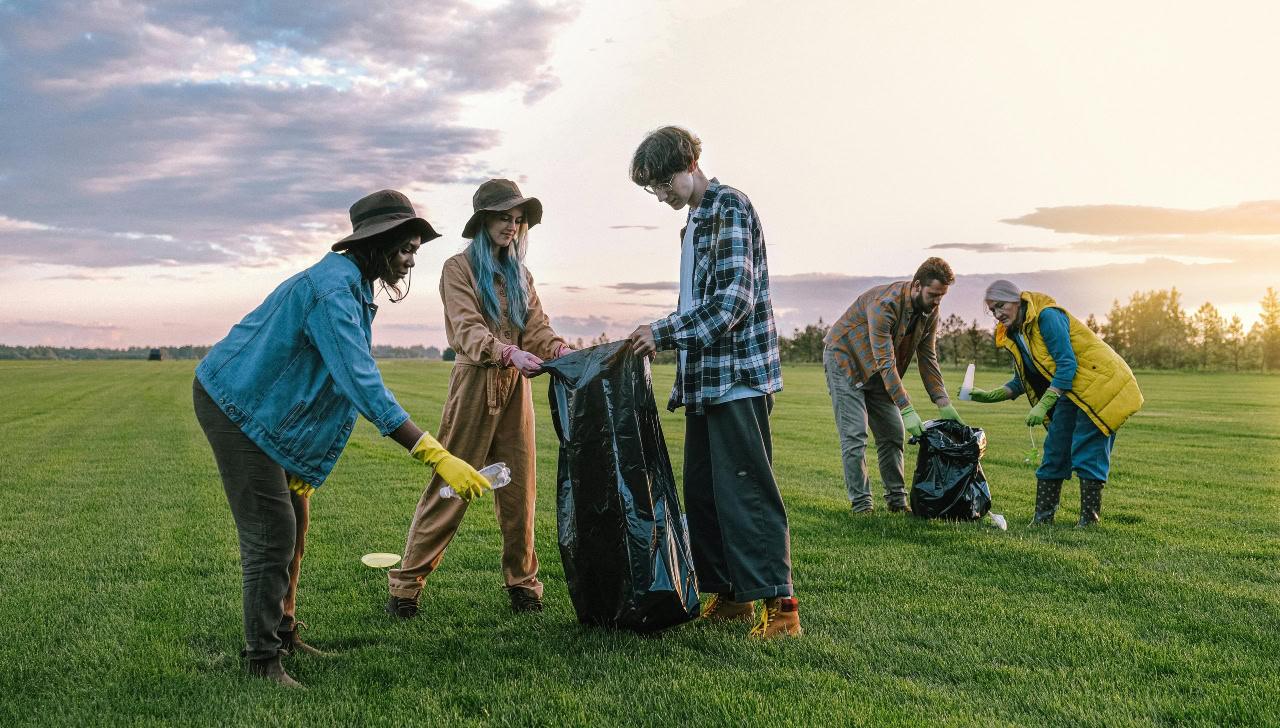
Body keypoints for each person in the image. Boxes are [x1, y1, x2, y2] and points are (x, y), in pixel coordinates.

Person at [193, 190, 492, 688]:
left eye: (415, 248)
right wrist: (437, 455)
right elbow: (360, 383)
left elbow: (320, 384)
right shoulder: (334, 291)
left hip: (266, 411)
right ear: (375, 242)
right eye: (404, 247)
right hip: (235, 405)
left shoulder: (352, 286)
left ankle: (284, 630)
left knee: (296, 520)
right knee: (272, 535)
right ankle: (261, 661)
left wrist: (303, 462)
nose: (411, 258)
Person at [626, 126, 800, 639]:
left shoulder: (729, 206)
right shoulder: (694, 224)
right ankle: (730, 597)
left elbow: (733, 302)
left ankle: (782, 606)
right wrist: (661, 333)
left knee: (746, 492)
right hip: (704, 381)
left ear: (688, 164)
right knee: (704, 494)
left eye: (661, 183)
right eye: (651, 189)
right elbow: (695, 305)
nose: (659, 196)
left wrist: (662, 333)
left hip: (738, 378)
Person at [387, 179, 569, 616]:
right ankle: (406, 587)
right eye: (505, 217)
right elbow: (467, 329)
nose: (513, 226)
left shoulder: (521, 275)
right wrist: (506, 352)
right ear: (484, 220)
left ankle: (523, 584)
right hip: (474, 385)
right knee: (451, 486)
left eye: (519, 219)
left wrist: (560, 350)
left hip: (515, 392)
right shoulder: (457, 269)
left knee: (520, 491)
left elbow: (537, 329)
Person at [966, 280, 1143, 526]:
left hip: (1100, 385)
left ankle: (1089, 521)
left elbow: (1066, 364)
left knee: (1088, 450)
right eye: (992, 310)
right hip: (1071, 391)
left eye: (1000, 306)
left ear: (1016, 300)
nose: (997, 314)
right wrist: (988, 395)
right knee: (1055, 450)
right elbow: (1023, 380)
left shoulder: (1047, 317)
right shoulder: (1018, 334)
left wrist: (1044, 403)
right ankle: (1042, 519)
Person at [822, 257, 964, 514]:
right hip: (846, 362)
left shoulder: (930, 312)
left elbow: (927, 357)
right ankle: (862, 506)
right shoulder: (884, 305)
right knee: (855, 436)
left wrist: (943, 401)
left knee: (893, 434)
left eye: (942, 296)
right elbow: (885, 362)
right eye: (933, 294)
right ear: (917, 285)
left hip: (878, 371)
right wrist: (907, 408)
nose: (937, 302)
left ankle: (898, 503)